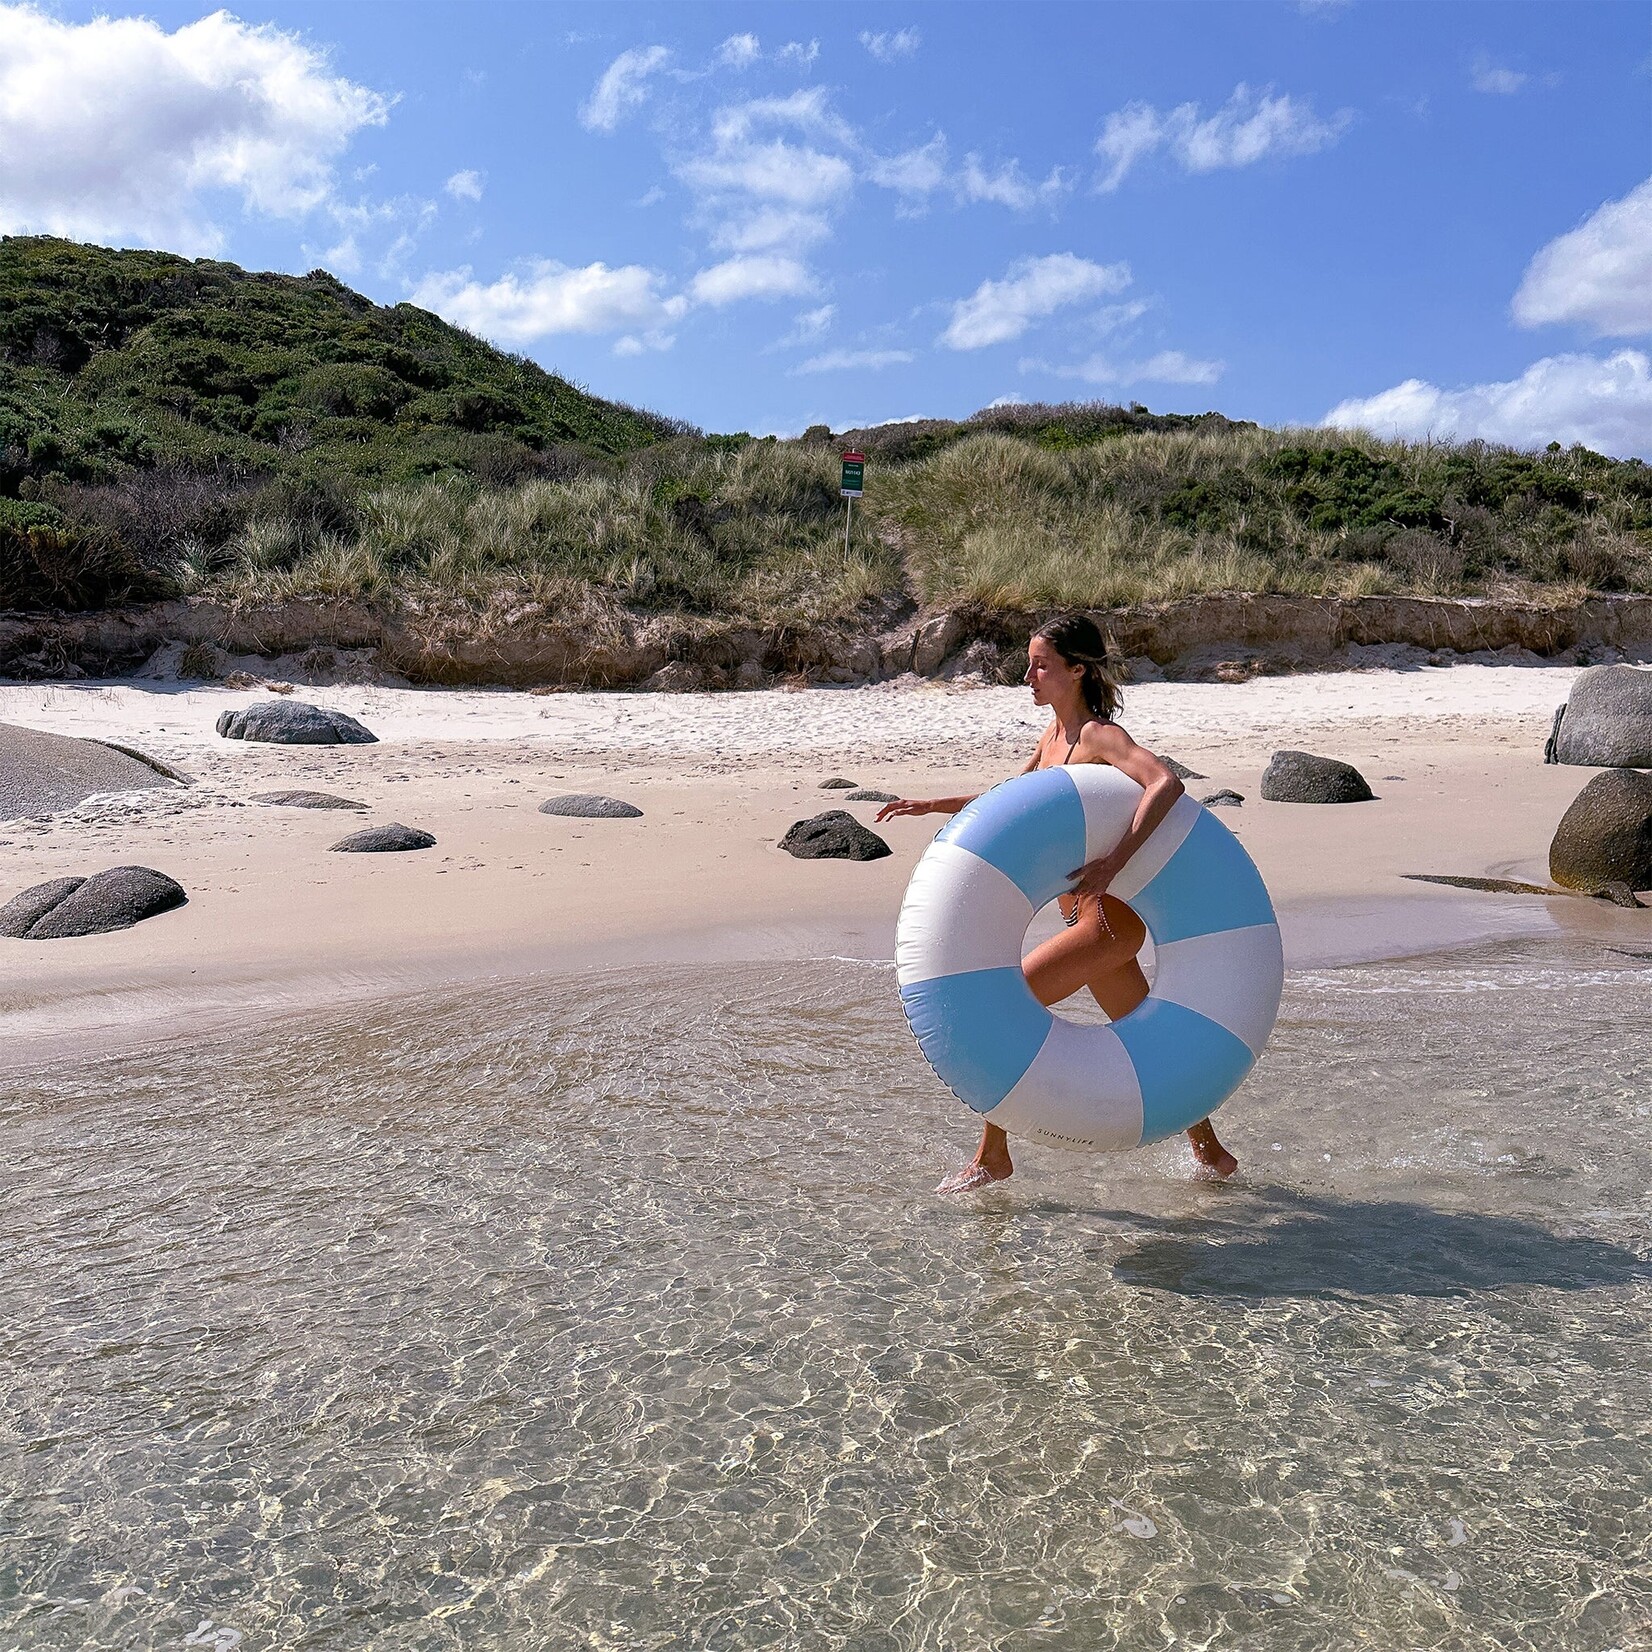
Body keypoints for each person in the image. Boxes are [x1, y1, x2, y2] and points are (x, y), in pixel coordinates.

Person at [877, 613, 1239, 1192]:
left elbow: (1164, 783)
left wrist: (1113, 863)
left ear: (1076, 670)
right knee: (1155, 1040)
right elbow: (1005, 805)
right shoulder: (1050, 741)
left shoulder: (1098, 737)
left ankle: (993, 1157)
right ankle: (1214, 1156)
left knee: (1001, 1011)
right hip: (1089, 925)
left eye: (1041, 665)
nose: (1029, 676)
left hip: (1108, 927)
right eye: (1029, 664)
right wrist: (931, 805)